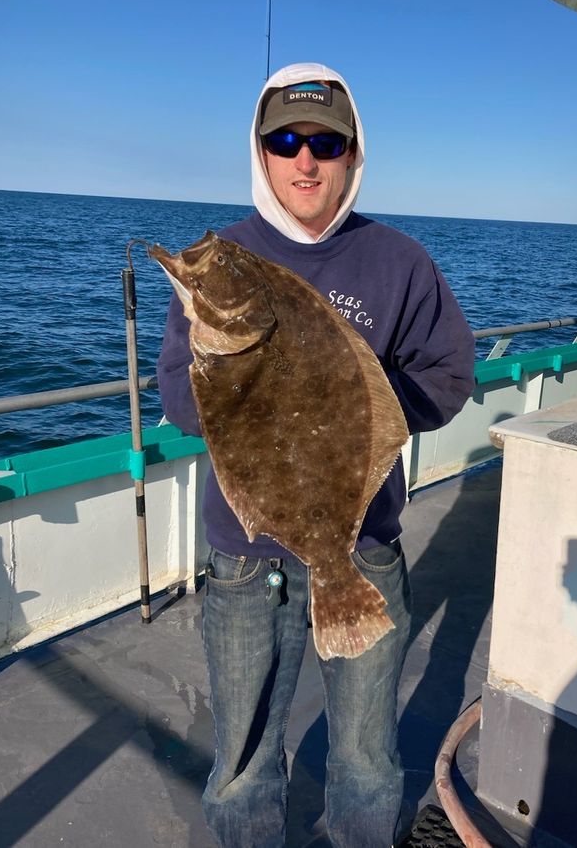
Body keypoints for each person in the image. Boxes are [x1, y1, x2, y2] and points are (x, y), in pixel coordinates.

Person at [156, 62, 475, 848]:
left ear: (353, 153)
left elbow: (450, 372)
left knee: (367, 761)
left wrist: (351, 408)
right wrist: (238, 380)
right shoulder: (225, 257)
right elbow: (174, 399)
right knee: (242, 762)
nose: (305, 159)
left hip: (360, 551)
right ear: (260, 154)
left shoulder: (400, 262)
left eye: (325, 142)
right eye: (286, 140)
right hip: (243, 559)